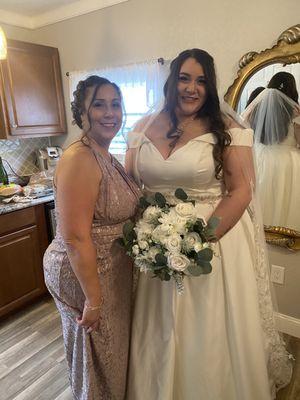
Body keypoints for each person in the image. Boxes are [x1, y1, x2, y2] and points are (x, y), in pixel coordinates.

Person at [125, 49, 292, 400]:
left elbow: (241, 191)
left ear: (210, 87)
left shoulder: (228, 130)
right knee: (159, 327)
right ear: (172, 82)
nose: (192, 88)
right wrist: (149, 239)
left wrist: (196, 240)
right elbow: (131, 187)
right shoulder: (142, 127)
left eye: (201, 81)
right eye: (185, 78)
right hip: (155, 246)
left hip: (213, 245)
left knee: (205, 331)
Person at [43, 75, 140, 400]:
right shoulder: (80, 158)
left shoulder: (103, 152)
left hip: (106, 270)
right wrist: (94, 300)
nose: (110, 112)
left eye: (116, 104)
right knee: (95, 359)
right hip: (84, 274)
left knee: (107, 356)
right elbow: (74, 237)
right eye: (99, 104)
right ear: (81, 112)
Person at [242, 72, 300, 229]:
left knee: (263, 197)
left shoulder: (259, 106)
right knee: (285, 199)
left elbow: (243, 126)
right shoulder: (295, 112)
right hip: (288, 161)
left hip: (260, 156)